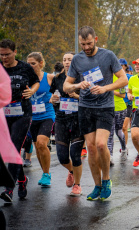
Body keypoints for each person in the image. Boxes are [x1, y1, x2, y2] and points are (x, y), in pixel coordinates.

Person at [64, 26, 128, 201]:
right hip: (85, 107)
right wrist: (78, 85)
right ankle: (97, 185)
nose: (86, 47)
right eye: (83, 44)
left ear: (96, 39)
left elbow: (123, 79)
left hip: (105, 106)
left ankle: (106, 181)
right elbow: (66, 86)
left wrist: (105, 88)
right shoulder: (77, 59)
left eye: (89, 43)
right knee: (91, 148)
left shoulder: (108, 55)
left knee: (101, 144)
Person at [0, 39, 40, 202]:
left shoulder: (24, 67)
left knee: (15, 146)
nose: (4, 58)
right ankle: (22, 180)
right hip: (4, 113)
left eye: (7, 54)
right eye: (1, 54)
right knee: (8, 152)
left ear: (15, 52)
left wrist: (31, 91)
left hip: (22, 112)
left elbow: (36, 81)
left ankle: (9, 189)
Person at [50, 52, 85, 196]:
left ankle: (77, 185)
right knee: (62, 156)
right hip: (61, 119)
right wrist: (52, 100)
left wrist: (76, 96)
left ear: (75, 61)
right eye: (64, 59)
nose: (66, 62)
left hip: (78, 119)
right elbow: (53, 98)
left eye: (70, 59)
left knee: (75, 155)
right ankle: (71, 171)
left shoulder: (81, 78)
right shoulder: (57, 79)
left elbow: (89, 99)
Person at [27, 52, 55, 187]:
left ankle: (46, 174)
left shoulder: (49, 77)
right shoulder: (25, 78)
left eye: (33, 63)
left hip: (47, 115)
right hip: (32, 117)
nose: (30, 66)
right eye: (28, 64)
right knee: (37, 147)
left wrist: (56, 97)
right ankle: (45, 172)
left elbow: (61, 88)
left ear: (41, 64)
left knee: (42, 143)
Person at [107, 61, 128, 166]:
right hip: (108, 108)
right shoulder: (105, 78)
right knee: (109, 133)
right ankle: (110, 156)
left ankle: (124, 148)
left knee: (118, 131)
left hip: (120, 109)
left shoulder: (121, 79)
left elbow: (123, 95)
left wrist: (110, 90)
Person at [120, 58, 132, 160]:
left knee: (124, 127)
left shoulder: (130, 77)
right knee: (117, 128)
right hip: (117, 104)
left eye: (122, 65)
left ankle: (124, 146)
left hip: (128, 104)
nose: (120, 67)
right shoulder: (114, 77)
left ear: (125, 66)